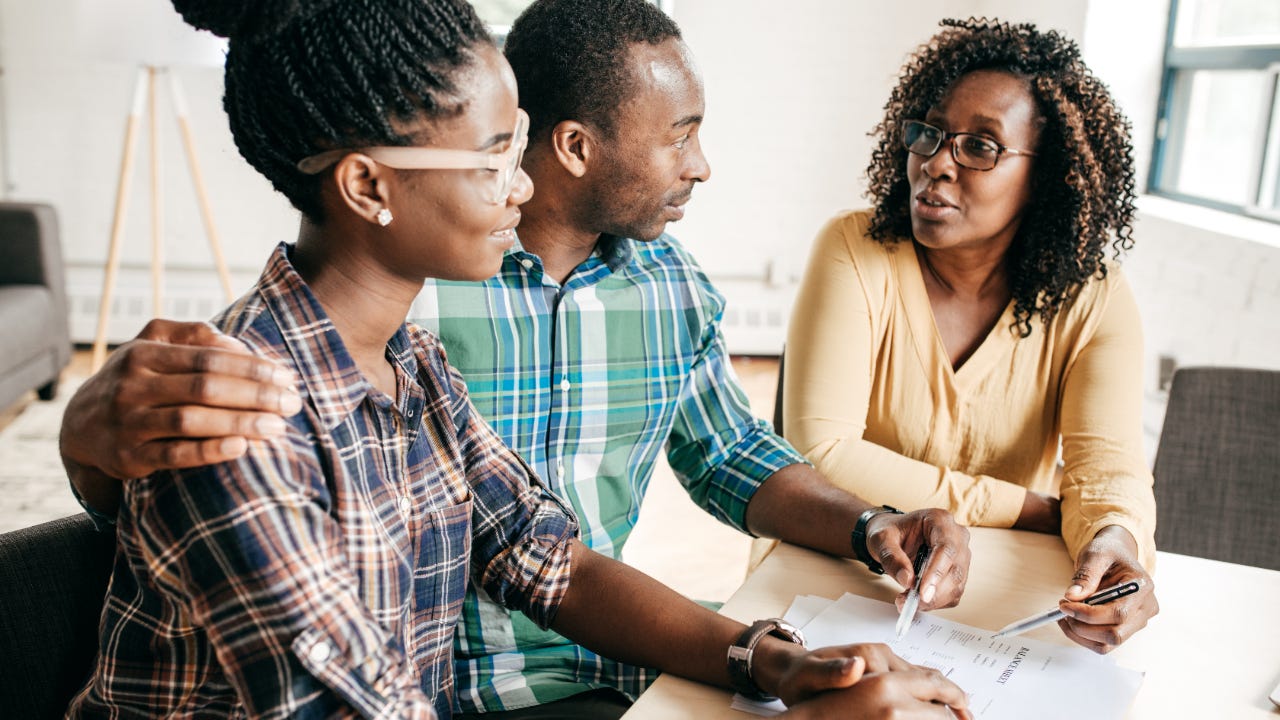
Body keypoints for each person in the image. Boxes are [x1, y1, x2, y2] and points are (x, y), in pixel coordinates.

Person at [61, 1, 974, 718]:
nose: (526, 183)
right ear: (368, 186)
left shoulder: (412, 366)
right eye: (497, 153)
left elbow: (553, 562)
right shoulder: (243, 412)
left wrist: (775, 661)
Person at [779, 18, 1159, 655]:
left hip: (995, 605)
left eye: (981, 147)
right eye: (930, 133)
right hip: (834, 580)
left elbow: (1110, 471)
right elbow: (822, 454)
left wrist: (1114, 538)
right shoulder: (854, 250)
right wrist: (1030, 509)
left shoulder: (1094, 298)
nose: (934, 163)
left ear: (1047, 176)